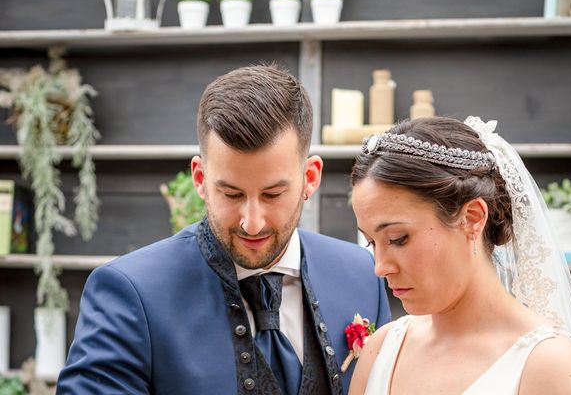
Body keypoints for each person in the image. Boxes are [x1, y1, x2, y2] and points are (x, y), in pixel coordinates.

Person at [57, 64, 391, 395]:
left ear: (311, 177)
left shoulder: (363, 274)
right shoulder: (128, 292)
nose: (253, 222)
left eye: (273, 194)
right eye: (231, 194)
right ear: (200, 179)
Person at [347, 116, 571, 395]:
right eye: (372, 242)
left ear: (472, 218)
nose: (380, 268)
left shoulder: (551, 367)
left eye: (398, 239)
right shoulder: (381, 350)